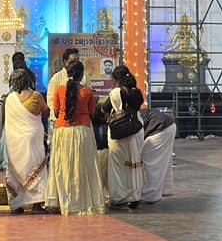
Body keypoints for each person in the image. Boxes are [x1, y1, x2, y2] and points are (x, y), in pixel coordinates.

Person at [47, 58, 105, 216]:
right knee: (83, 167)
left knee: (62, 167)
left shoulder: (59, 90)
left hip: (63, 132)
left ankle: (61, 201)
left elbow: (57, 111)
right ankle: (82, 201)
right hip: (83, 132)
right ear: (81, 75)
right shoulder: (87, 92)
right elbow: (92, 112)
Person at [103, 64, 152, 209]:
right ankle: (135, 196)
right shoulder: (137, 92)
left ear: (117, 80)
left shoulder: (116, 93)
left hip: (119, 129)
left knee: (118, 165)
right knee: (135, 162)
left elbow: (105, 108)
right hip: (136, 128)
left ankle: (119, 197)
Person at [2, 68, 50, 212]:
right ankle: (36, 203)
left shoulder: (9, 99)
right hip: (33, 138)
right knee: (36, 167)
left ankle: (17, 204)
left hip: (14, 141)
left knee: (16, 169)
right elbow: (46, 111)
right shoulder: (36, 96)